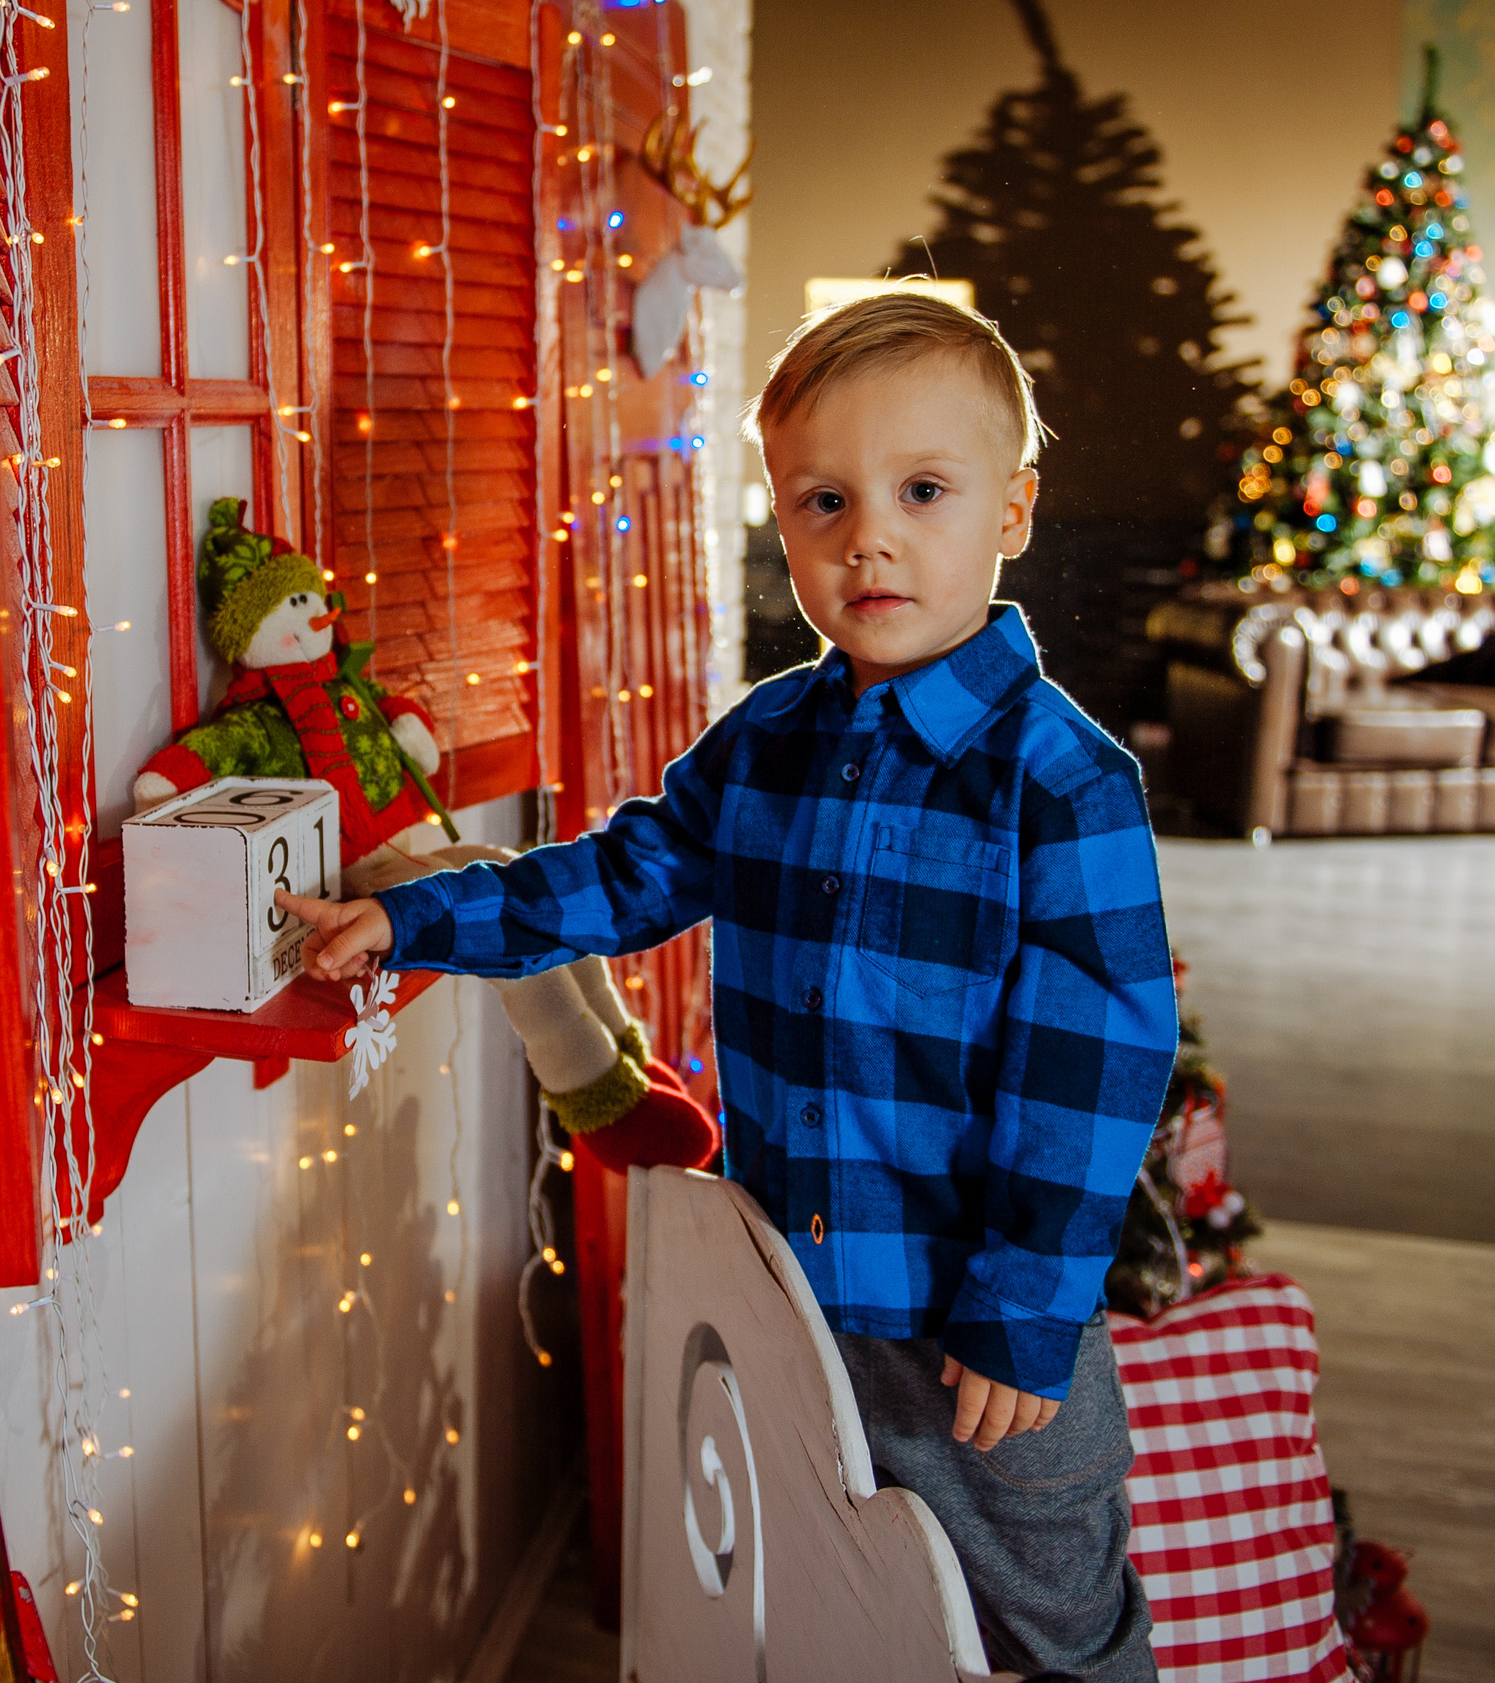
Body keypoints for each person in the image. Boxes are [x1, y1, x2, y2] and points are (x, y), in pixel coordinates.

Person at [278, 291, 1176, 1680]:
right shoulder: (767, 743)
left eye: (920, 491)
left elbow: (1093, 1072)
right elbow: (615, 880)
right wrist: (409, 923)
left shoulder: (1061, 784)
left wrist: (1021, 1312)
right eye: (822, 500)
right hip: (800, 1302)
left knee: (1043, 1636)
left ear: (1012, 511)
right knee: (828, 1615)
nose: (867, 534)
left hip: (975, 1345)